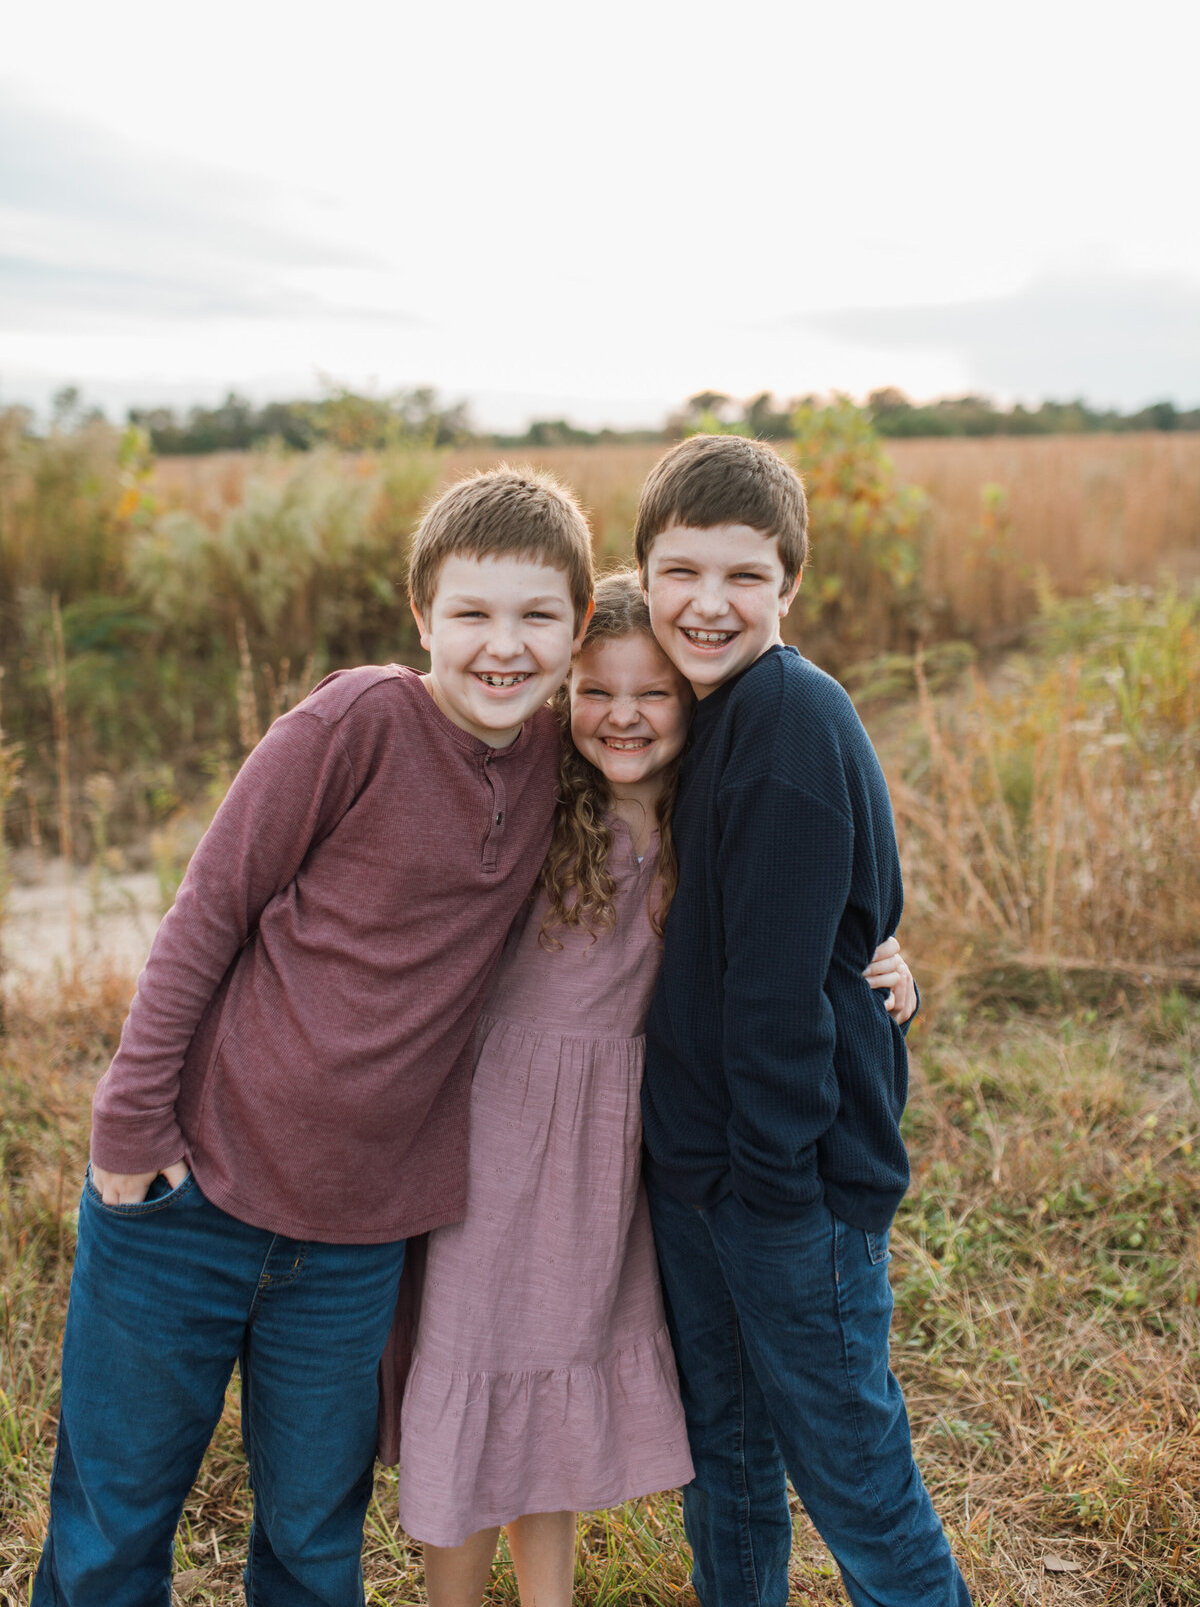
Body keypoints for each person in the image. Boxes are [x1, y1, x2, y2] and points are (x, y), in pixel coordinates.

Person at [34, 465, 594, 1607]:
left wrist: (870, 936)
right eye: (472, 613)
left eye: (537, 616)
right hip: (191, 1195)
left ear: (577, 628)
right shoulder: (352, 724)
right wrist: (128, 1133)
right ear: (420, 615)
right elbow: (207, 917)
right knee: (112, 1526)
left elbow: (698, 812)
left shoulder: (562, 761)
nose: (504, 645)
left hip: (356, 1237)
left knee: (310, 1542)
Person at [388, 572, 918, 1607]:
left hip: (618, 1148)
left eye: (654, 694)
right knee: (478, 1370)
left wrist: (884, 953)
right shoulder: (534, 805)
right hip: (498, 1145)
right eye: (596, 691)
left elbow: (796, 917)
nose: (623, 716)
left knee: (551, 1383)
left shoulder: (708, 819)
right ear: (564, 695)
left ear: (693, 703)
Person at [634, 435, 972, 1607]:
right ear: (642, 574)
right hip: (703, 1176)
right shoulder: (705, 710)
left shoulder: (784, 718)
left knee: (856, 1478)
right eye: (682, 573)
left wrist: (771, 1195)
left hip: (787, 1193)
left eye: (744, 578)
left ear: (790, 587)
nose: (709, 604)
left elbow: (777, 1010)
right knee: (725, 1460)